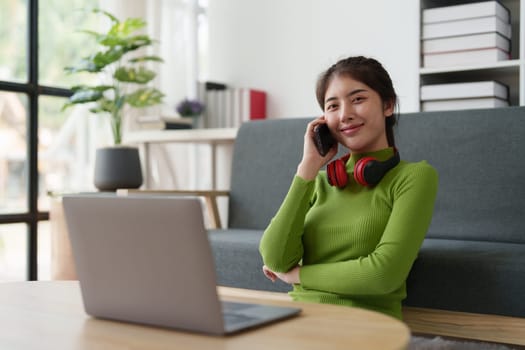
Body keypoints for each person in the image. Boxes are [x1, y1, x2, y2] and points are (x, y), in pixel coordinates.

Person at [258, 56, 438, 320]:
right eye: (333, 106)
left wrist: (296, 275)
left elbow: (382, 274)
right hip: (298, 319)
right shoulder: (317, 182)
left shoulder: (414, 177)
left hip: (364, 325)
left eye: (358, 99)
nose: (345, 115)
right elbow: (275, 258)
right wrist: (307, 167)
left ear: (388, 105)